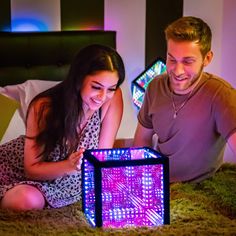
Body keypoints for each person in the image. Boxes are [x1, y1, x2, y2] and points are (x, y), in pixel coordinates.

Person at [0, 44, 125, 210]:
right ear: (79, 79)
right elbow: (32, 170)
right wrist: (69, 166)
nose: (102, 97)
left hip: (72, 183)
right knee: (24, 201)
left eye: (110, 89)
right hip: (21, 170)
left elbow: (101, 160)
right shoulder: (45, 106)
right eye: (96, 87)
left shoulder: (112, 99)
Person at [133, 16, 236, 183]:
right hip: (159, 182)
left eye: (188, 61)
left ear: (207, 58)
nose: (177, 70)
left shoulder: (221, 94)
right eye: (172, 59)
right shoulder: (154, 87)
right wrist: (140, 179)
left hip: (201, 188)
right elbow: (142, 141)